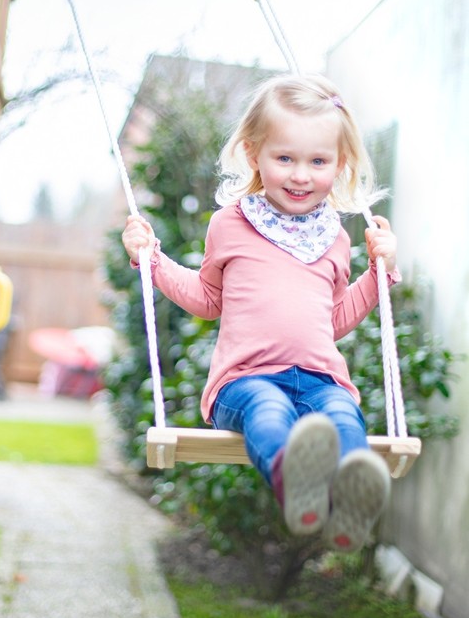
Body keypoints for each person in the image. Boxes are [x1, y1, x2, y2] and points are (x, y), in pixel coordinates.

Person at [121, 72, 400, 552]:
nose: (300, 175)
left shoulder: (335, 238)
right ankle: (299, 487)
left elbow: (333, 319)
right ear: (254, 154)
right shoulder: (230, 225)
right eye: (285, 158)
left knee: (343, 416)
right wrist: (153, 260)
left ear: (339, 164)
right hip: (245, 380)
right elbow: (207, 297)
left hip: (321, 379)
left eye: (318, 161)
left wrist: (380, 273)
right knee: (269, 413)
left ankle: (348, 506)